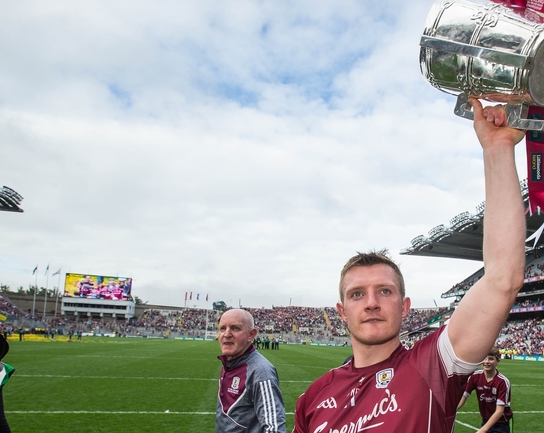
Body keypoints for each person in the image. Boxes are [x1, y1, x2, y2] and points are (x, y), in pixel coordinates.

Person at [292, 99, 526, 433]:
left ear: (404, 306)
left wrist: (497, 148)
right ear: (342, 311)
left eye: (384, 291)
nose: (371, 303)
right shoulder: (313, 398)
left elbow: (502, 279)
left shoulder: (433, 367)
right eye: (357, 294)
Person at [216, 309, 286, 433]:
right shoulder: (229, 363)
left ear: (251, 335)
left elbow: (274, 429)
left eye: (235, 328)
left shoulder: (260, 371)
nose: (226, 334)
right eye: (222, 328)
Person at [457, 347, 513, 433]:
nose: (486, 362)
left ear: (498, 361)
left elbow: (499, 411)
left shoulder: (502, 382)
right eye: (484, 358)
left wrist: (483, 430)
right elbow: (463, 396)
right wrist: (450, 412)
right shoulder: (475, 377)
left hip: (501, 424)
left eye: (491, 359)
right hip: (486, 420)